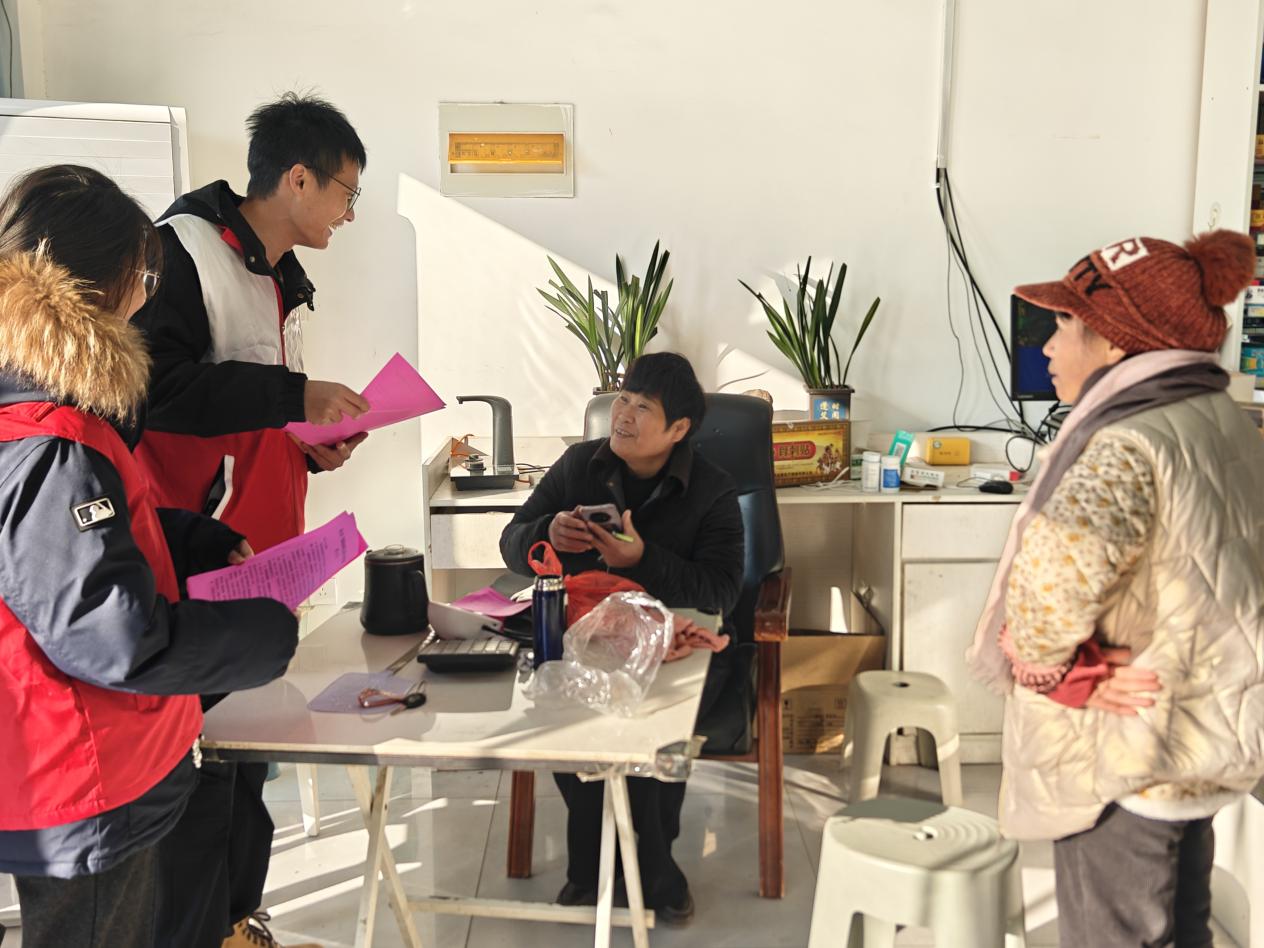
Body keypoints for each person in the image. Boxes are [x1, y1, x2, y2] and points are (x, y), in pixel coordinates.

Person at [0, 165, 299, 948]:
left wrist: (182, 536)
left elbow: (52, 556)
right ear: (104, 284)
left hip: (62, 762)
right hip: (85, 774)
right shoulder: (54, 443)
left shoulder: (34, 411)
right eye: (144, 277)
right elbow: (115, 638)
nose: (147, 298)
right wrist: (267, 633)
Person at [966, 230, 1264, 947]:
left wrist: (1062, 672)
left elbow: (1047, 592)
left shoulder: (1127, 443)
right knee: (1181, 924)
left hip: (1127, 755)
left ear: (1115, 343)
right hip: (1198, 737)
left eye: (1064, 326)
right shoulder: (1223, 419)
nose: (1047, 348)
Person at [131, 93, 369, 948]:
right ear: (298, 178)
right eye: (345, 192)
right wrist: (292, 397)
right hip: (197, 551)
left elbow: (251, 410)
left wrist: (306, 445)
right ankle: (203, 929)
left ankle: (238, 918)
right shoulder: (182, 250)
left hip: (268, 551)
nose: (348, 213)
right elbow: (157, 390)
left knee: (249, 755)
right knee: (202, 766)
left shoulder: (280, 273)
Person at [499, 352, 745, 923]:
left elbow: (721, 592)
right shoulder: (578, 465)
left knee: (647, 733)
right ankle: (641, 872)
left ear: (678, 430)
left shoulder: (712, 490)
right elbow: (511, 544)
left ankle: (610, 870)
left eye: (643, 408)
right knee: (570, 714)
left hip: (677, 647)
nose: (624, 416)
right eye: (623, 400)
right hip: (586, 638)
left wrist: (643, 560)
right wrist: (546, 532)